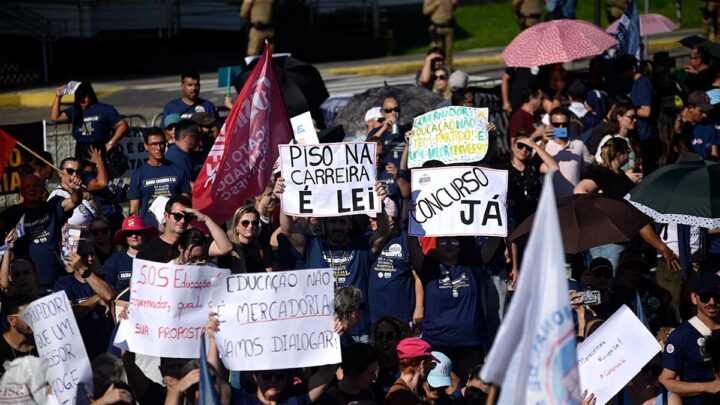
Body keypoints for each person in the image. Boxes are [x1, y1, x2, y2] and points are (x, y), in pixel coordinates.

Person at [274, 178, 390, 340]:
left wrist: (379, 203)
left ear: (349, 225)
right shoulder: (312, 245)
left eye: (342, 222)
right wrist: (283, 199)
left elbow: (383, 232)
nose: (337, 227)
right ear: (325, 225)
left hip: (358, 331)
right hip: (321, 330)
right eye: (333, 222)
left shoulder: (361, 247)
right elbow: (288, 231)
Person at [408, 236, 496, 379]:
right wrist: (410, 222)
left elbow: (493, 242)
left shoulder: (472, 266)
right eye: (443, 241)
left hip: (470, 343)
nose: (448, 244)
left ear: (460, 246)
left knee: (470, 392)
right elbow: (412, 246)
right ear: (436, 245)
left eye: (454, 241)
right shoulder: (428, 267)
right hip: (437, 343)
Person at [0, 174, 83, 291]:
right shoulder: (12, 213)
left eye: (36, 186)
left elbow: (75, 201)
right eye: (28, 187)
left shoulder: (53, 205)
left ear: (43, 190)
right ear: (22, 192)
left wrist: (76, 190)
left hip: (57, 278)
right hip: (27, 282)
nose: (32, 189)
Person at [659, 272, 720, 405]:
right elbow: (666, 380)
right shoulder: (681, 336)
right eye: (705, 297)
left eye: (717, 296)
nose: (712, 302)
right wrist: (709, 387)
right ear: (694, 298)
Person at [54, 239, 115, 360]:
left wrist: (82, 267)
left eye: (92, 254)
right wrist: (97, 299)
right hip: (80, 352)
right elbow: (70, 314)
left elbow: (108, 295)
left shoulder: (105, 278)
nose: (91, 258)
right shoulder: (64, 283)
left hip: (107, 349)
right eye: (84, 255)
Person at [368, 197, 422, 325]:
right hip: (375, 318)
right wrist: (384, 233)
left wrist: (419, 308)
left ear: (390, 219)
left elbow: (418, 277)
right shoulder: (368, 239)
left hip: (402, 316)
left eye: (375, 218)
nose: (370, 221)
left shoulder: (407, 240)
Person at [128, 127, 191, 228]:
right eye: (154, 144)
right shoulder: (138, 175)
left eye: (162, 143)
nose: (159, 148)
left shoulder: (179, 171)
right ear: (146, 146)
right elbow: (134, 210)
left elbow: (186, 204)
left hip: (175, 230)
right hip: (149, 232)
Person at [49, 81, 128, 159]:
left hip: (100, 148)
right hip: (81, 149)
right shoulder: (74, 110)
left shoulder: (104, 109)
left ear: (90, 95)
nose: (82, 100)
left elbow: (122, 125)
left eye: (85, 96)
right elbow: (55, 117)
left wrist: (110, 144)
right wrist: (58, 97)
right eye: (79, 97)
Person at [501, 134, 559, 225]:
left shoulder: (533, 166)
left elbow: (554, 167)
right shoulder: (504, 169)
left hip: (535, 218)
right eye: (520, 146)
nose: (524, 150)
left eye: (528, 147)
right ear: (512, 147)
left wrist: (535, 145)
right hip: (513, 219)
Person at [543, 107, 594, 198]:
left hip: (573, 201)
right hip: (551, 203)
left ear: (569, 124)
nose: (561, 127)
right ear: (551, 124)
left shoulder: (579, 145)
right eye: (556, 124)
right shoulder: (544, 146)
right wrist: (543, 142)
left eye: (564, 124)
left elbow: (590, 167)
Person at [104, 215, 157, 301]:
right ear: (125, 237)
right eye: (129, 233)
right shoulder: (113, 262)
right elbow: (108, 290)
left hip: (150, 306)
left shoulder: (156, 259)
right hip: (122, 309)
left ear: (145, 235)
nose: (134, 236)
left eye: (138, 232)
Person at [137, 195, 193, 263]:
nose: (183, 221)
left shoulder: (195, 247)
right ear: (166, 216)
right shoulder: (147, 250)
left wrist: (205, 219)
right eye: (177, 216)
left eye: (187, 217)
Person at [218, 205, 272, 273]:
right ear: (236, 226)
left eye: (255, 223)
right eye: (245, 223)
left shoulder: (261, 248)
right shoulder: (228, 250)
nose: (251, 226)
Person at [49, 156, 97, 229]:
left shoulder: (82, 192)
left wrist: (91, 198)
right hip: (75, 240)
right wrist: (87, 231)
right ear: (60, 173)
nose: (75, 175)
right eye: (70, 171)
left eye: (78, 171)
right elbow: (56, 226)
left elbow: (98, 213)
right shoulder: (57, 196)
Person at [385, 337, 435, 405]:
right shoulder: (400, 397)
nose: (432, 367)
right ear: (422, 364)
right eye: (430, 363)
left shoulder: (418, 390)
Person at [370, 316, 409, 401]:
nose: (384, 339)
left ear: (399, 338)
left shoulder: (406, 366)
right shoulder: (369, 366)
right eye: (380, 336)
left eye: (390, 335)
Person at [0, 295, 37, 377]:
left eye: (35, 314)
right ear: (11, 320)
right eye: (27, 315)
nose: (33, 319)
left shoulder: (41, 345)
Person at [678, 91, 720, 161]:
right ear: (690, 108)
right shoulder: (677, 125)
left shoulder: (710, 127)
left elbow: (714, 154)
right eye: (701, 111)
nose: (705, 115)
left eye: (706, 111)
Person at [423, 0, 456, 65]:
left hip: (449, 27)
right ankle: (437, 69)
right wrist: (436, 4)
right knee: (437, 50)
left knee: (449, 50)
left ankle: (448, 69)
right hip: (437, 28)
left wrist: (454, 4)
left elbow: (451, 9)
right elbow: (425, 11)